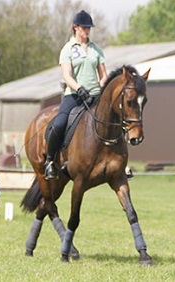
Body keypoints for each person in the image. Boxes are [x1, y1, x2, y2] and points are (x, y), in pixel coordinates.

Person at [45, 10, 108, 180]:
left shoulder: (97, 49)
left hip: (95, 95)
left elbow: (103, 75)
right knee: (59, 124)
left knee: (114, 119)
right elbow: (67, 75)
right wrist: (79, 88)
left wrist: (102, 87)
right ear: (75, 28)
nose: (87, 31)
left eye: (89, 28)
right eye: (84, 28)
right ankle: (50, 161)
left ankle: (120, 164)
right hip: (74, 95)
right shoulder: (68, 49)